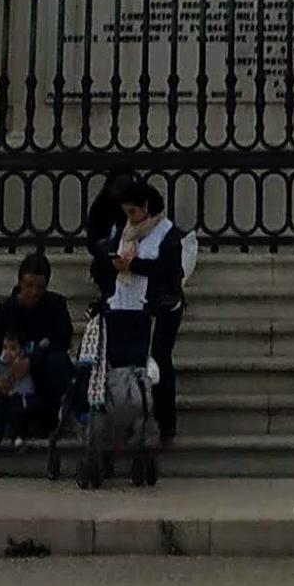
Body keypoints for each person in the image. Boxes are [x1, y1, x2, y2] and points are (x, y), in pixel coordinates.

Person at [0, 251, 73, 480]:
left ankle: (47, 420)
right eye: (29, 286)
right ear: (19, 283)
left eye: (40, 287)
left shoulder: (56, 306)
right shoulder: (2, 314)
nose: (33, 293)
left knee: (58, 362)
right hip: (13, 382)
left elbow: (62, 341)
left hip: (42, 381)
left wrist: (31, 362)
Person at [91, 183, 185, 447]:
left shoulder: (167, 234)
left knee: (157, 361)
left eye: (133, 212)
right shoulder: (123, 232)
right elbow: (104, 259)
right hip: (124, 305)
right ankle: (124, 417)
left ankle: (165, 421)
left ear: (146, 207)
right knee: (123, 365)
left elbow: (168, 270)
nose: (129, 219)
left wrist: (134, 265)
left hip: (157, 308)